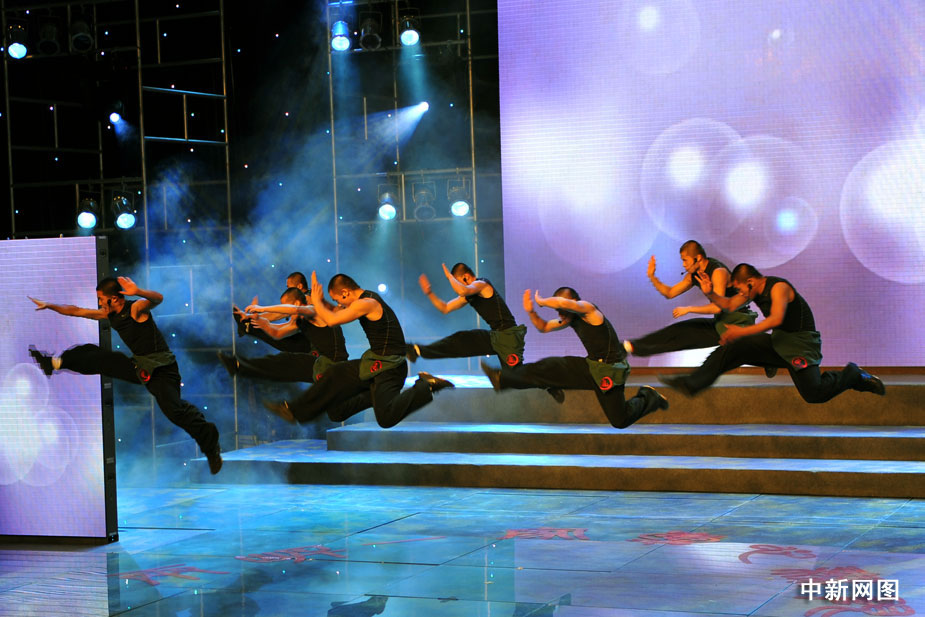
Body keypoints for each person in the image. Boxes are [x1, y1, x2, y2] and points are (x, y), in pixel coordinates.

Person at [28, 276, 223, 473]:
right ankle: (55, 362)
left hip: (162, 369)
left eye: (101, 299)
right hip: (141, 367)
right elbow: (76, 311)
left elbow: (158, 298)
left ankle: (211, 445)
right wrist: (49, 305)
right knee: (101, 359)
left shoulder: (135, 309)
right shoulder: (109, 314)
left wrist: (138, 292)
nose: (99, 303)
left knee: (174, 411)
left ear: (113, 298)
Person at [658, 264, 886, 402]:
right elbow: (727, 305)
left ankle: (852, 374)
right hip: (779, 342)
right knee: (734, 348)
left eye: (740, 289)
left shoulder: (779, 288)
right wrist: (711, 294)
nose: (740, 294)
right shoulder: (752, 290)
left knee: (814, 394)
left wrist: (741, 332)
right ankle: (692, 382)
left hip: (800, 345)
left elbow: (775, 319)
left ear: (750, 282)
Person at [262, 272, 455, 428]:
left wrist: (316, 302)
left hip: (391, 367)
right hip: (375, 361)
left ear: (345, 293)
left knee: (386, 419)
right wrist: (319, 301)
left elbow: (332, 320)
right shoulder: (362, 300)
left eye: (339, 300)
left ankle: (426, 385)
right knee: (335, 398)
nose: (340, 305)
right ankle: (293, 410)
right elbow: (332, 311)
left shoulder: (367, 303)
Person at [481, 287, 669, 429]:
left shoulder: (589, 310)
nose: (560, 315)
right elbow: (543, 327)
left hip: (610, 371)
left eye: (562, 310)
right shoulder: (571, 318)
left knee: (619, 420)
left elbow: (565, 304)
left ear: (574, 302)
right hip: (591, 366)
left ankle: (649, 396)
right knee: (550, 365)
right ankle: (503, 378)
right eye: (559, 312)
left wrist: (542, 301)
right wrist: (531, 311)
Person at [624, 241, 760, 362]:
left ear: (698, 258)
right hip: (720, 322)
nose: (684, 264)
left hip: (735, 323)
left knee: (682, 340)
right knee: (676, 330)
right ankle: (633, 345)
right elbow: (670, 293)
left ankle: (636, 349)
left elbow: (717, 307)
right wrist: (652, 277)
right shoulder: (693, 275)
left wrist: (689, 309)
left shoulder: (718, 272)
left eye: (685, 260)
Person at [221, 287, 348, 384]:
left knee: (286, 360)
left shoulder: (313, 309)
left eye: (285, 306)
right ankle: (240, 367)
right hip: (322, 363)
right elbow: (278, 333)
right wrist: (261, 323)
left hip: (333, 363)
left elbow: (291, 310)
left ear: (297, 302)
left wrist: (262, 309)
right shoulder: (299, 321)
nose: (285, 312)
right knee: (281, 362)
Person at [232, 271, 313, 354]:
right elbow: (284, 322)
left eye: (289, 287)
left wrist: (260, 311)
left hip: (310, 344)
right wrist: (254, 319)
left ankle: (248, 327)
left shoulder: (307, 299)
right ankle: (248, 326)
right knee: (273, 332)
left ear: (299, 286)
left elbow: (278, 314)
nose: (287, 290)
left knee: (280, 337)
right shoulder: (304, 300)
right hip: (305, 339)